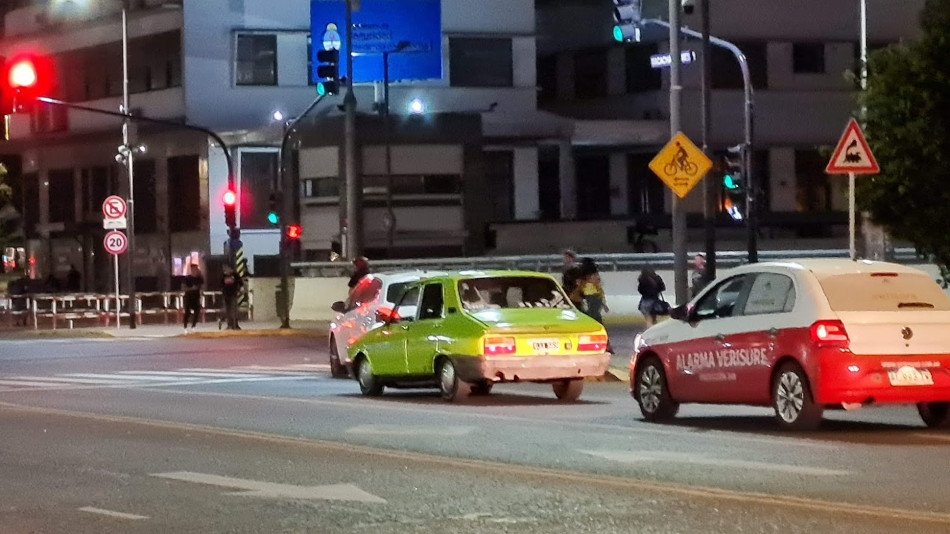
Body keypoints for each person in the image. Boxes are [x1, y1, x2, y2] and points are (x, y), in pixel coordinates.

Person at [220, 265, 243, 330]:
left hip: (233, 294)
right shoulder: (223, 276)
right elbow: (221, 284)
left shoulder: (235, 275)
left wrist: (240, 290)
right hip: (226, 295)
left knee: (234, 310)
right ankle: (229, 325)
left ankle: (235, 325)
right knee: (227, 311)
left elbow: (240, 283)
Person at [182, 264, 204, 332]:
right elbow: (183, 288)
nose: (195, 270)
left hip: (196, 298)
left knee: (197, 311)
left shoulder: (199, 278)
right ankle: (185, 327)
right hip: (188, 297)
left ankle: (193, 326)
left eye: (196, 269)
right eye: (194, 269)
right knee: (187, 312)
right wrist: (191, 288)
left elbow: (202, 286)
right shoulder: (187, 278)